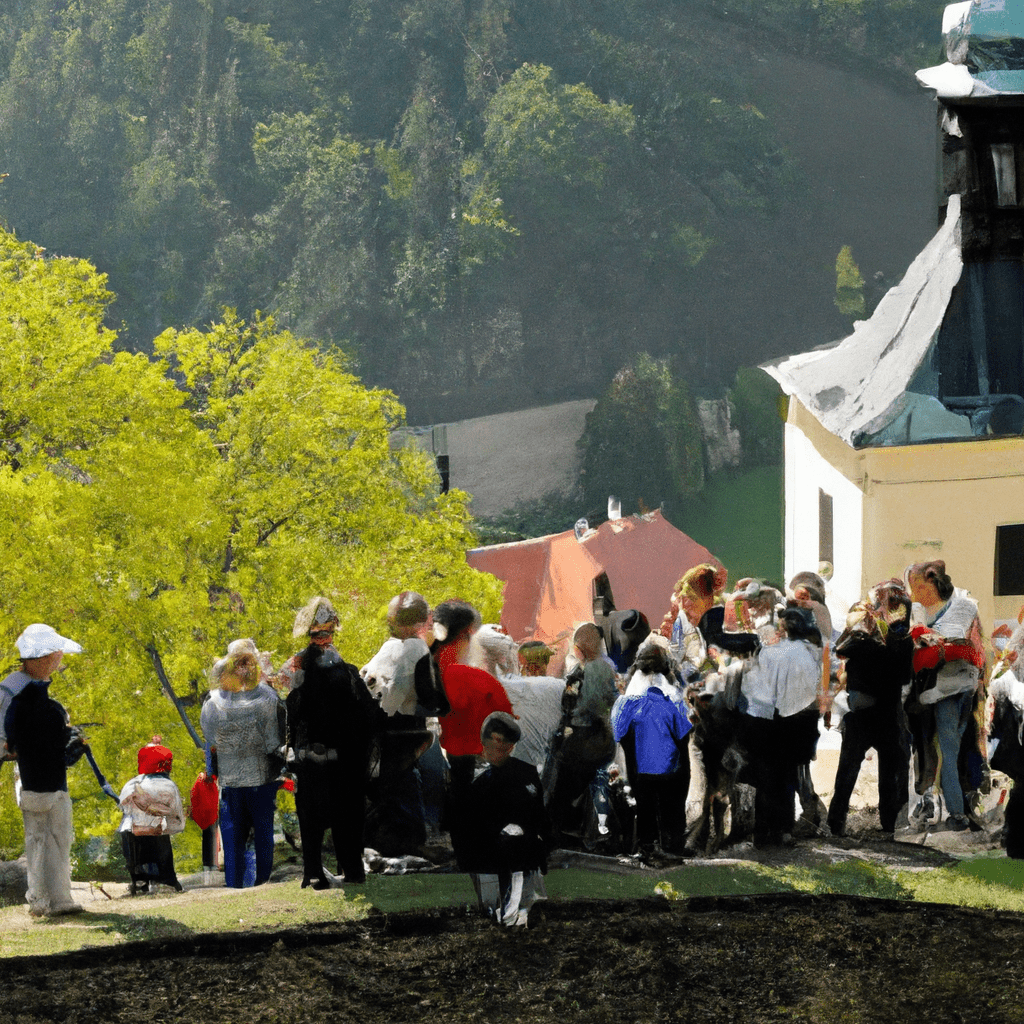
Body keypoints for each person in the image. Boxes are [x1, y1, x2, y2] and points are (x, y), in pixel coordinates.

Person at [283, 596, 378, 888]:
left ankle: (314, 872)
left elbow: (291, 715)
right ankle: (352, 872)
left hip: (313, 761)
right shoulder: (347, 674)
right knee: (346, 819)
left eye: (327, 632)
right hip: (343, 763)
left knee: (313, 819)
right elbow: (368, 716)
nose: (325, 638)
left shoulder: (299, 674)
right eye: (320, 633)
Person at [3, 623, 88, 917]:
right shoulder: (27, 698)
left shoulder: (17, 697)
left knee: (43, 838)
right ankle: (53, 899)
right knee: (51, 837)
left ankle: (45, 900)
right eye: (55, 656)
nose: (59, 660)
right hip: (41, 778)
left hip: (34, 776)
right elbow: (18, 744)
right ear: (43, 659)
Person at [360, 590, 446, 856]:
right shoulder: (410, 648)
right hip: (399, 728)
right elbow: (433, 698)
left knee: (394, 786)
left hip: (389, 728)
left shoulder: (401, 648)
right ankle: (404, 840)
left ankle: (394, 839)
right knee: (400, 785)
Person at [826, 580, 914, 839]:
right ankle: (884, 825)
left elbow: (842, 650)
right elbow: (841, 649)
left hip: (872, 712)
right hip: (883, 711)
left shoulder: (890, 639)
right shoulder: (893, 639)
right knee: (877, 770)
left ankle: (842, 823)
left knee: (856, 770)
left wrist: (870, 640)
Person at [905, 560, 987, 832]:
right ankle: (950, 807)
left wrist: (935, 642)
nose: (913, 592)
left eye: (916, 585)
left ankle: (958, 814)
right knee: (938, 751)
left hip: (952, 689)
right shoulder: (916, 609)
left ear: (930, 583)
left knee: (949, 753)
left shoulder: (963, 605)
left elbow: (965, 644)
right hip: (937, 689)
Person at [431, 600, 514, 867]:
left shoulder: (425, 667)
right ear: (467, 634)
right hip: (476, 753)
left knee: (459, 796)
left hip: (448, 752)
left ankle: (463, 853)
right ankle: (473, 854)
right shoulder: (476, 680)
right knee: (471, 800)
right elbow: (507, 721)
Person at [200, 638, 284, 888]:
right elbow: (272, 742)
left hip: (230, 780)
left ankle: (234, 884)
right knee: (263, 834)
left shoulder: (213, 702)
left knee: (233, 836)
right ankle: (263, 881)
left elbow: (211, 739)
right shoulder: (267, 698)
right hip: (261, 779)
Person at [737, 606, 823, 847]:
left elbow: (755, 690)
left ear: (785, 628)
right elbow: (810, 691)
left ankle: (762, 832)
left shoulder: (772, 652)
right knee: (786, 777)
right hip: (794, 722)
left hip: (768, 722)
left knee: (767, 779)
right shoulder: (808, 652)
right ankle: (783, 830)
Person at [463, 712, 549, 927]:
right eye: (498, 743)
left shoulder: (526, 774)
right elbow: (471, 827)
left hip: (522, 850)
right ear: (488, 741)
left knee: (518, 842)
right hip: (490, 852)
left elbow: (538, 816)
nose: (503, 749)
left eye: (506, 745)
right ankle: (508, 910)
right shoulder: (477, 781)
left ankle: (520, 909)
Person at [612, 641, 693, 860]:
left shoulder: (627, 700)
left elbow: (619, 734)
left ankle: (648, 846)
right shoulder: (672, 697)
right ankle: (673, 845)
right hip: (670, 768)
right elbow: (684, 735)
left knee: (645, 805)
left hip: (641, 768)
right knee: (672, 806)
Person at [546, 622, 618, 844]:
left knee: (564, 788)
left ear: (581, 647)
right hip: (585, 735)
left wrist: (577, 716)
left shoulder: (596, 668)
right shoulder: (589, 667)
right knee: (567, 789)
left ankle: (565, 833)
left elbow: (593, 705)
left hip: (586, 736)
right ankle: (568, 831)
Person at [118, 737, 185, 894]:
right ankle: (166, 880)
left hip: (133, 830)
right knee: (160, 839)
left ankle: (140, 882)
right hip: (154, 828)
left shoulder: (133, 783)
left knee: (135, 848)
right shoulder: (169, 786)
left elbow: (124, 806)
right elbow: (176, 814)